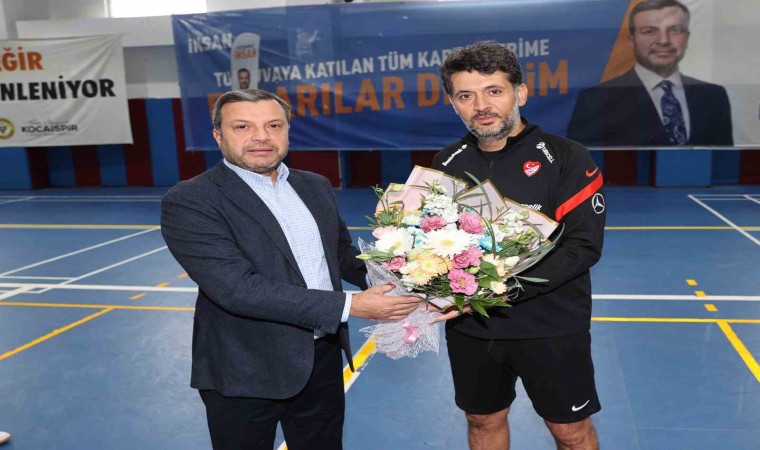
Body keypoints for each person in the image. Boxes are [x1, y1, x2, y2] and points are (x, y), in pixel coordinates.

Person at [160, 88, 420, 450]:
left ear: (287, 131)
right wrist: (353, 305)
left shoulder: (313, 185)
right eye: (242, 127)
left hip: (321, 356)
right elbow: (238, 289)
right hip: (245, 367)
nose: (261, 137)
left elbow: (340, 254)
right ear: (218, 136)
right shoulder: (192, 200)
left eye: (273, 125)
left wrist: (410, 274)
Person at [431, 41, 606, 450]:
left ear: (520, 94)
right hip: (472, 325)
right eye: (466, 96)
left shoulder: (567, 157)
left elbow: (582, 246)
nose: (481, 106)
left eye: (494, 91)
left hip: (552, 325)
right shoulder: (446, 163)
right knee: (482, 419)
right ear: (453, 104)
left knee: (570, 432)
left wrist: (502, 290)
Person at [566, 0, 733, 146]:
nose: (663, 41)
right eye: (649, 31)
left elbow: (724, 162)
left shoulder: (713, 96)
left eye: (675, 30)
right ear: (632, 40)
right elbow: (583, 165)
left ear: (687, 37)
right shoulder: (596, 99)